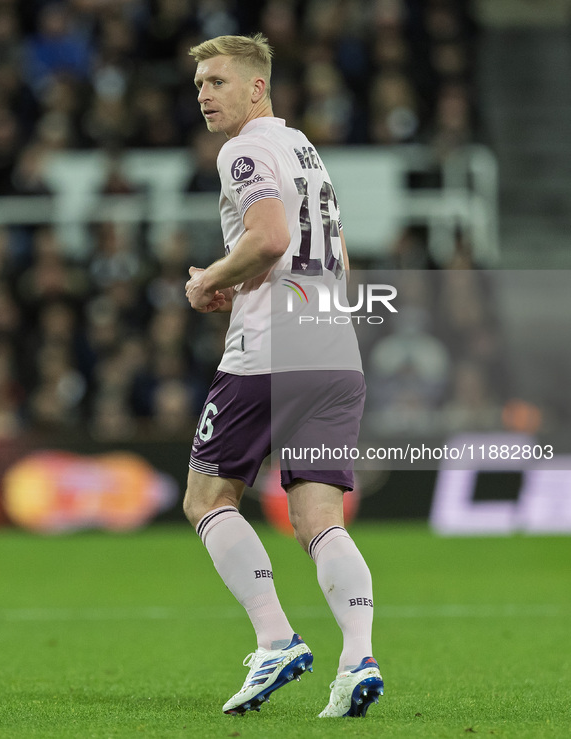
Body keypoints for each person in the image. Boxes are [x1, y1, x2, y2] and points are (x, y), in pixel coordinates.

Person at [183, 33, 384, 718]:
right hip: (333, 348)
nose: (204, 94)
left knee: (207, 498)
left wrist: (208, 278)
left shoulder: (242, 150)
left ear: (255, 87)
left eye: (216, 81)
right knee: (319, 517)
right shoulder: (304, 151)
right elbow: (335, 256)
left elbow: (268, 237)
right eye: (200, 84)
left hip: (271, 352)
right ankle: (357, 657)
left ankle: (274, 638)